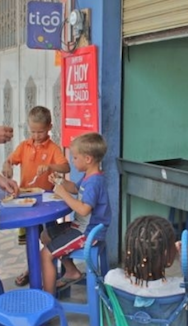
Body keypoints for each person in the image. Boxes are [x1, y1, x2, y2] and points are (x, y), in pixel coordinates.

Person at [2, 105, 70, 285]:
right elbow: (10, 160)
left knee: (50, 236)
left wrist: (50, 166)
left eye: (40, 132)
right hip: (27, 202)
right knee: (30, 239)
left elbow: (66, 167)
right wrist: (7, 166)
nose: (36, 136)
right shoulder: (24, 146)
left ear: (49, 127)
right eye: (33, 131)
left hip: (48, 202)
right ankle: (31, 269)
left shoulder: (53, 149)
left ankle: (50, 271)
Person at [40, 131, 111, 294]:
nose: (73, 160)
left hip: (87, 232)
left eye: (75, 157)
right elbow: (75, 188)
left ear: (88, 159)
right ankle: (71, 271)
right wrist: (61, 182)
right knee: (46, 236)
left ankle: (48, 301)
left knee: (45, 254)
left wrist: (63, 194)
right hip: (80, 227)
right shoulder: (88, 176)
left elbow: (84, 209)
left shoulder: (94, 182)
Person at [105, 215, 188, 324]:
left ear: (130, 251)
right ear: (166, 255)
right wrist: (185, 264)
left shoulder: (112, 279)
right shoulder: (184, 289)